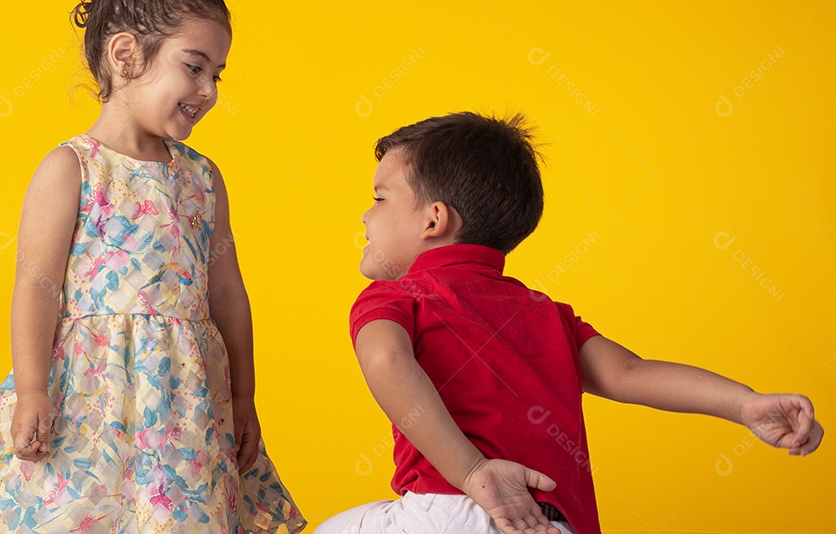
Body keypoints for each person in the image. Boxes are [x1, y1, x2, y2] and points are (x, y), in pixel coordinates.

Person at [0, 0, 305, 534]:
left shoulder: (202, 179)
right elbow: (36, 284)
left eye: (218, 74)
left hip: (183, 408)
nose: (209, 91)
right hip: (87, 400)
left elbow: (228, 294)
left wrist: (243, 397)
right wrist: (32, 389)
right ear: (126, 55)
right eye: (194, 67)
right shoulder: (72, 168)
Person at [316, 112, 823, 534]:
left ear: (433, 219)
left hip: (455, 508)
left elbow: (384, 358)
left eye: (380, 198)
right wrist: (744, 403)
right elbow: (632, 374)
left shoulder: (396, 297)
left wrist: (473, 473)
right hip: (552, 521)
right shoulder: (547, 314)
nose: (365, 215)